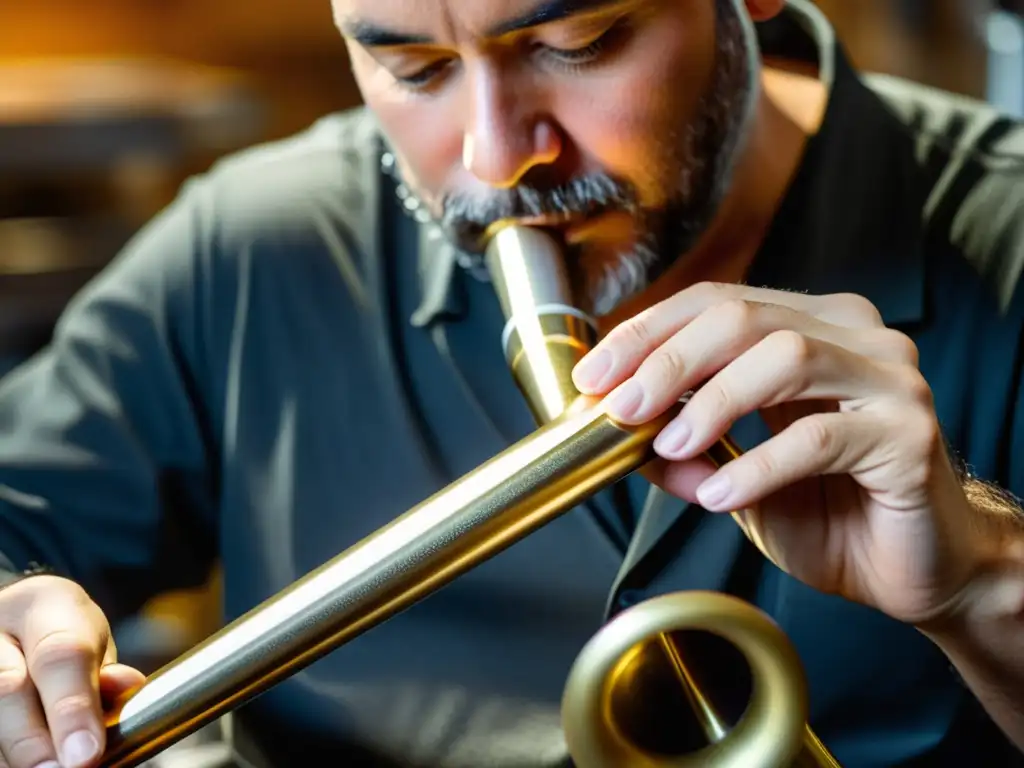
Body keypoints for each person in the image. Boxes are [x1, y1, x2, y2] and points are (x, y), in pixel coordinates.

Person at [0, 0, 1022, 765]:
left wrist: (979, 578)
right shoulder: (257, 247)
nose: (496, 159)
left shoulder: (1005, 239)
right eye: (410, 65)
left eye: (574, 43)